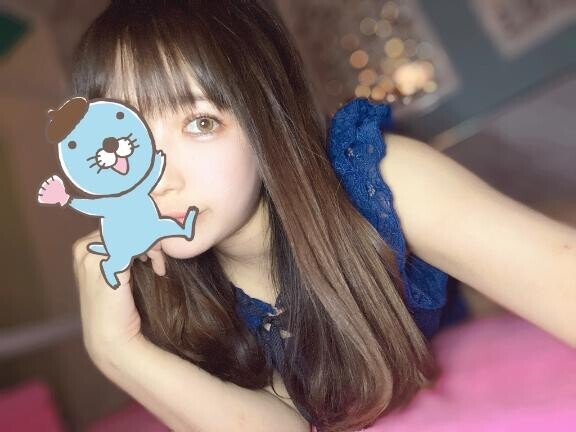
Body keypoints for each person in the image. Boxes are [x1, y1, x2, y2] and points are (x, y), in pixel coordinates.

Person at [70, 1, 576, 431]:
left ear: (265, 114)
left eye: (200, 122)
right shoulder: (150, 283)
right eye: (125, 140)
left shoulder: (379, 180)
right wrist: (116, 349)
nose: (156, 177)